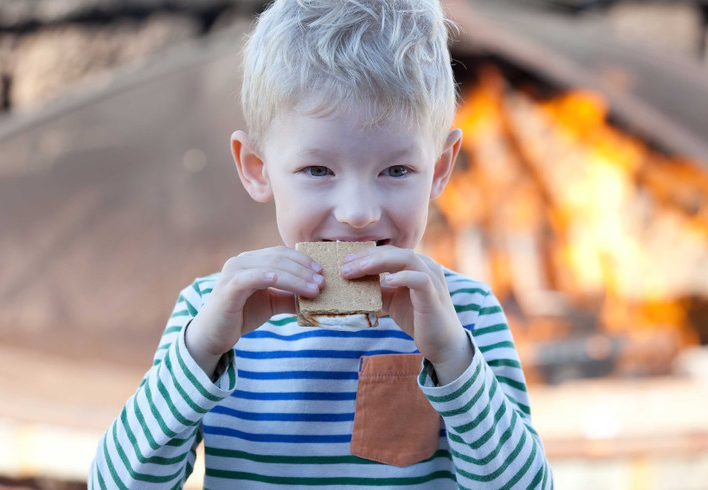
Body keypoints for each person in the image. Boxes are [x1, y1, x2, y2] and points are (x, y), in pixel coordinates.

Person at [90, 0, 553, 488]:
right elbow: (115, 482)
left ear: (439, 169)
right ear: (256, 168)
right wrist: (201, 349)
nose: (358, 211)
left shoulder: (467, 316)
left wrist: (454, 361)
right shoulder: (208, 313)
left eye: (397, 170)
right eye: (318, 170)